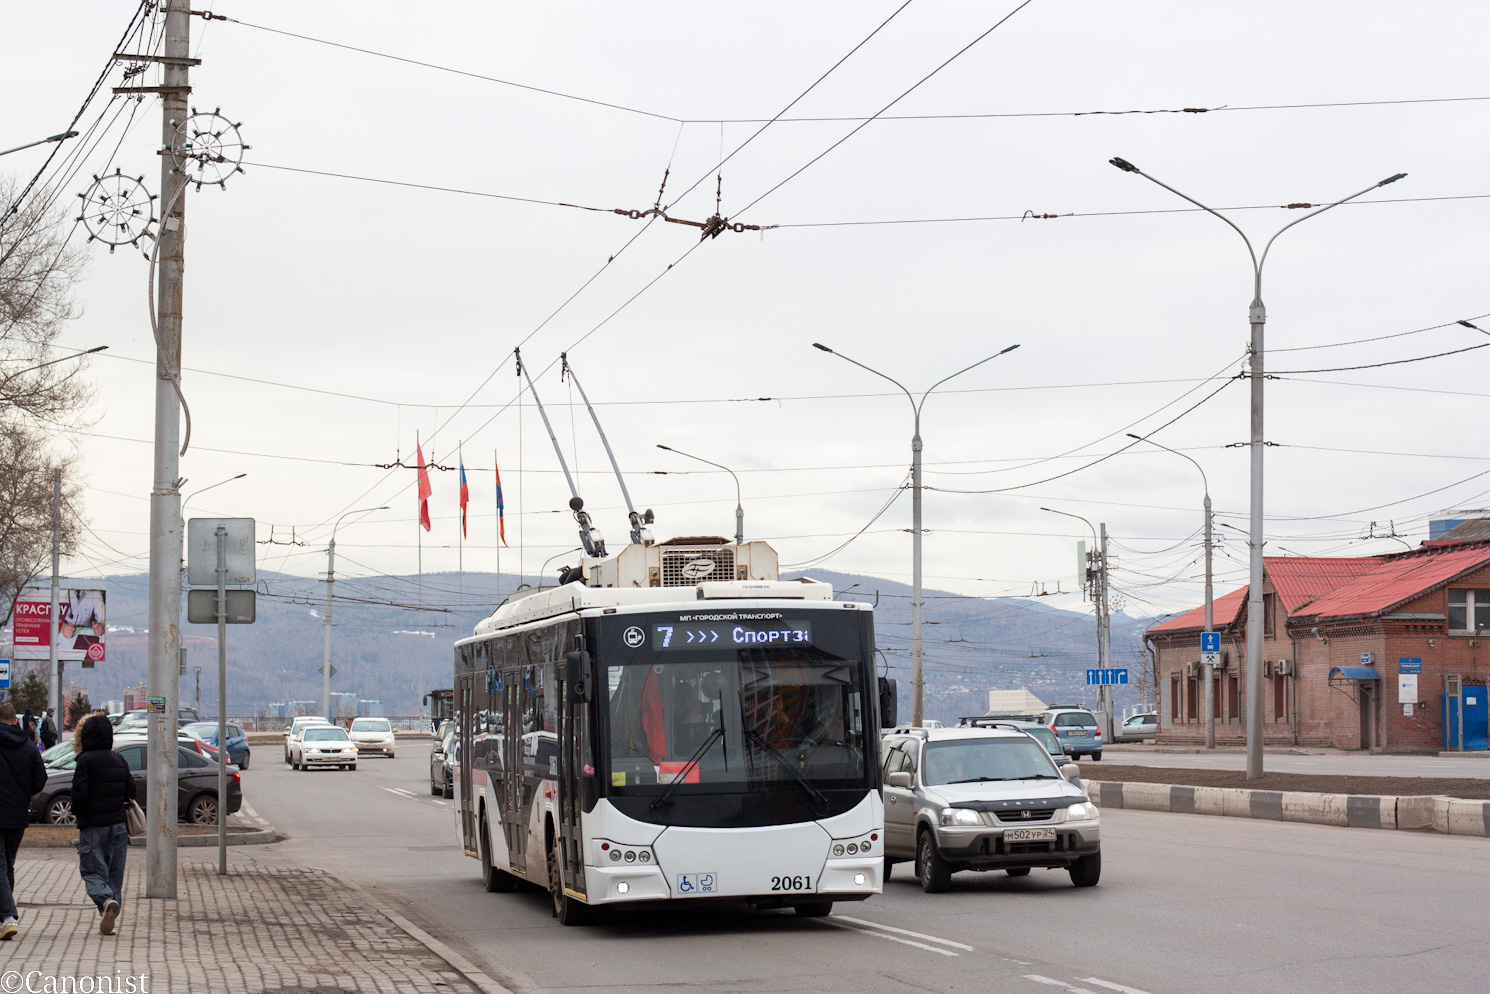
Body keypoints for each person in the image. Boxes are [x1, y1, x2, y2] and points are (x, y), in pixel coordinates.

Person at [70, 713, 135, 936]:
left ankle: (106, 901)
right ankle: (111, 912)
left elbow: (79, 796)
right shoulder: (119, 760)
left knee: (92, 871)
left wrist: (78, 813)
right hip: (118, 825)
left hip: (93, 826)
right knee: (114, 874)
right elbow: (131, 791)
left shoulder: (85, 761)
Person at [0, 701, 50, 941]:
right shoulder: (28, 747)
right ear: (14, 720)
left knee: (1, 866)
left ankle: (8, 917)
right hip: (18, 815)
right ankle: (4, 916)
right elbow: (41, 779)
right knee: (7, 864)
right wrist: (23, 795)